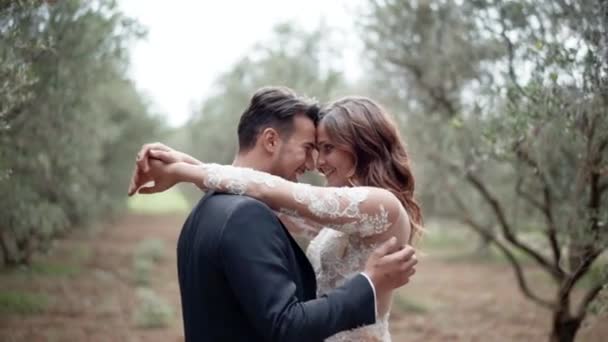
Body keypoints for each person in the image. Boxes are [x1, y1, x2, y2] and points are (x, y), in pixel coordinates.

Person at [128, 87, 418, 342]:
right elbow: (260, 192)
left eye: (327, 149)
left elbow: (268, 191)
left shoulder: (382, 204)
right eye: (314, 148)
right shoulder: (338, 220)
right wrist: (189, 166)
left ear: (359, 147)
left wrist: (184, 171)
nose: (317, 163)